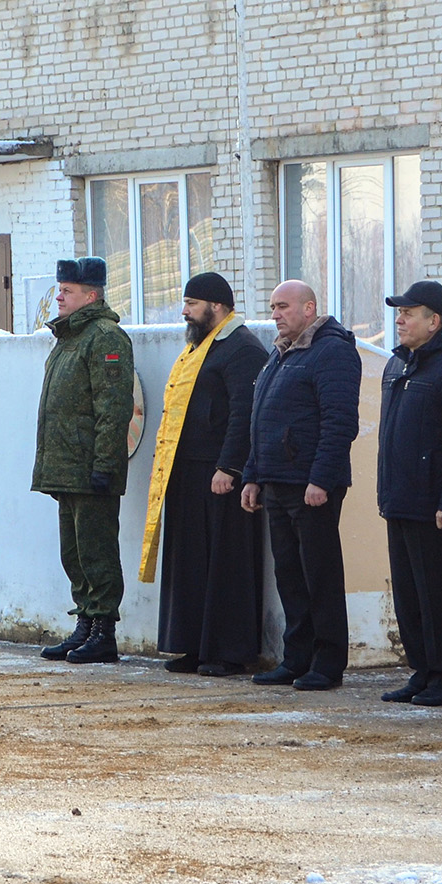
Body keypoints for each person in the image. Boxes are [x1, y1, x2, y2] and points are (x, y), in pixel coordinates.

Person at [142, 272, 268, 677]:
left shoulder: (242, 348)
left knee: (225, 562)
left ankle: (228, 651)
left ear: (217, 307)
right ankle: (193, 645)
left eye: (192, 305)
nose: (185, 312)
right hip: (188, 472)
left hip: (219, 474)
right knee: (190, 562)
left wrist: (229, 466)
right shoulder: (199, 348)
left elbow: (243, 413)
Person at [241, 281, 359, 691]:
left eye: (283, 306)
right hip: (277, 482)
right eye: (272, 306)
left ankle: (327, 664)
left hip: (311, 486)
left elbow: (339, 422)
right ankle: (296, 659)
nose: (275, 314)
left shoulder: (332, 351)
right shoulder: (280, 354)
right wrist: (253, 475)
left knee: (319, 576)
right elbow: (261, 419)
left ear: (309, 308)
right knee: (290, 576)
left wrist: (321, 479)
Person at [33, 257, 136, 665]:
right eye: (60, 289)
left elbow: (113, 409)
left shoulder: (106, 338)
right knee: (73, 554)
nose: (58, 296)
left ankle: (103, 632)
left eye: (68, 291)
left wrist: (105, 465)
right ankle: (85, 624)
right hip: (65, 467)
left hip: (91, 469)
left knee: (97, 552)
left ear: (90, 296)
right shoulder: (69, 339)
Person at [376, 280, 442, 707]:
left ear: (434, 321)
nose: (399, 320)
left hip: (434, 503)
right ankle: (422, 670)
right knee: (409, 594)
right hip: (399, 497)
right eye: (398, 312)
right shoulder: (397, 365)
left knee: (437, 594)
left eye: (409, 313)